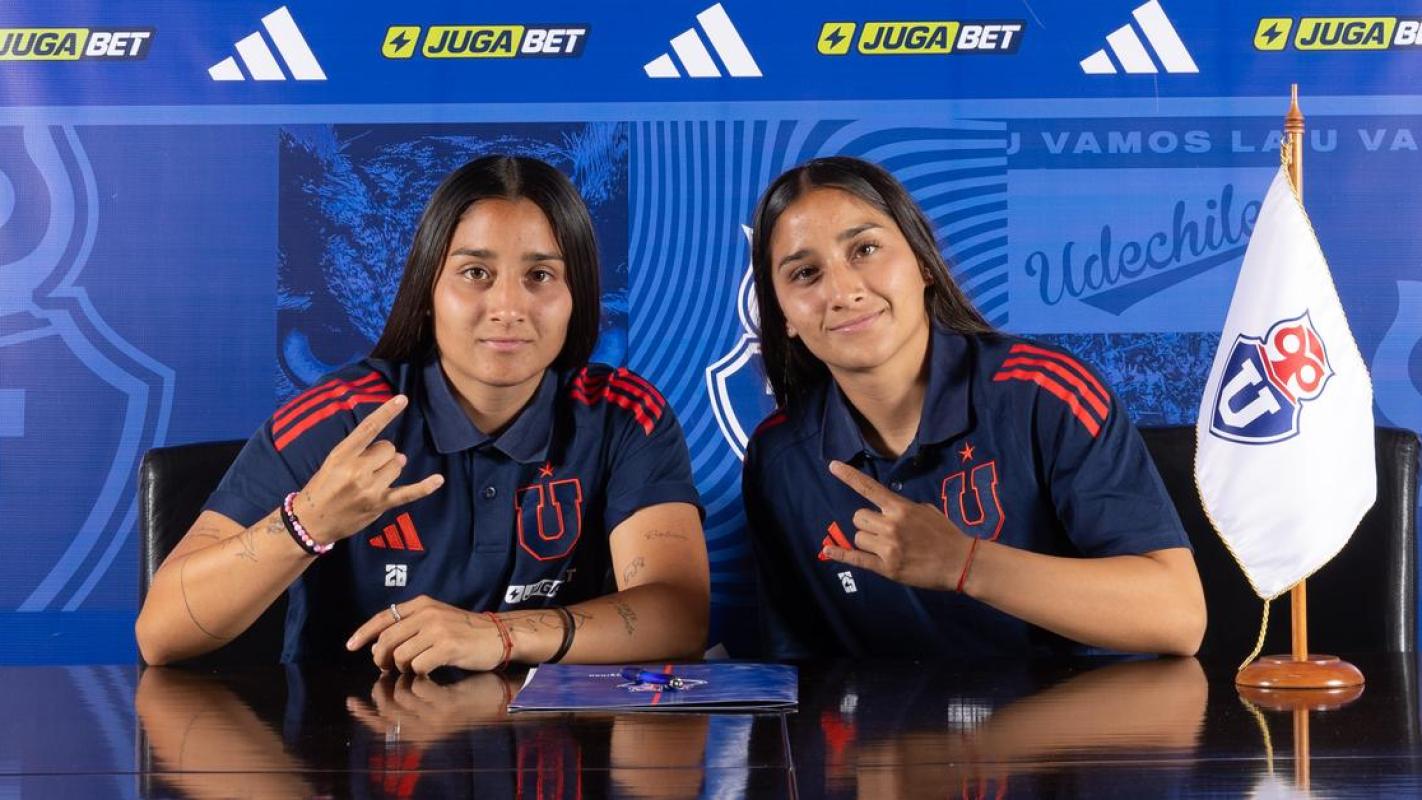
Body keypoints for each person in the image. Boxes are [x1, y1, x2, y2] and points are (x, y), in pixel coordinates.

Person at [136, 155, 709, 671]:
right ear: (428, 290)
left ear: (576, 297)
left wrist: (497, 636)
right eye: (475, 273)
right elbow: (160, 633)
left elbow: (678, 619)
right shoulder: (346, 415)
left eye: (540, 276)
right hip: (347, 739)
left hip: (548, 741)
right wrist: (309, 521)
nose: (508, 307)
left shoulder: (623, 413)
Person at [742, 156, 1205, 659]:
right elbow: (794, 671)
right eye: (805, 273)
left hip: (1087, 710)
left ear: (923, 262)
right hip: (895, 713)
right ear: (782, 316)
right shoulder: (778, 456)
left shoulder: (1045, 394)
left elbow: (1178, 616)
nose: (842, 291)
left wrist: (963, 563)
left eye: (866, 249)